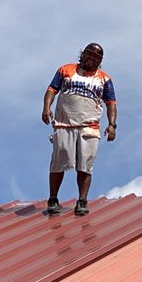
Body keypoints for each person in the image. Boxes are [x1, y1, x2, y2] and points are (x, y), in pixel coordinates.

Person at [41, 42, 117, 216]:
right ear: (82, 54)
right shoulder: (65, 70)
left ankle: (82, 200)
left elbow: (111, 104)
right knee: (59, 161)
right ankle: (53, 198)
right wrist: (46, 108)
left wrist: (112, 125)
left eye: (96, 57)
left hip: (89, 126)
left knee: (85, 164)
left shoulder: (104, 79)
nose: (92, 59)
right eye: (89, 54)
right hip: (64, 123)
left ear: (100, 61)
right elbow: (52, 90)